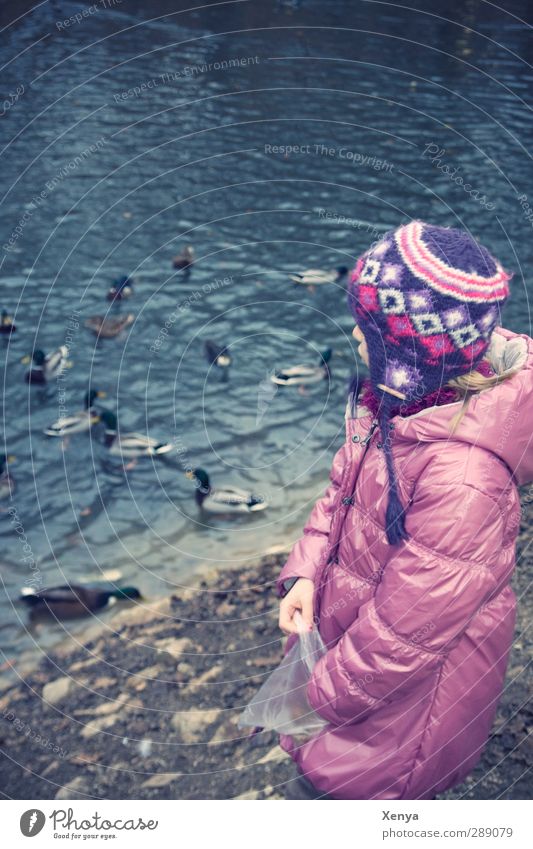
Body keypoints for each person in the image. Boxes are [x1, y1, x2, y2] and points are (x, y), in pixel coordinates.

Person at [277, 220, 533, 800]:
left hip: (397, 716)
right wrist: (305, 570)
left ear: (407, 353)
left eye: (367, 328)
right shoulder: (394, 405)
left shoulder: (465, 481)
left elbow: (406, 636)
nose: (353, 334)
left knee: (339, 799)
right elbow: (343, 493)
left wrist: (317, 698)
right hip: (349, 665)